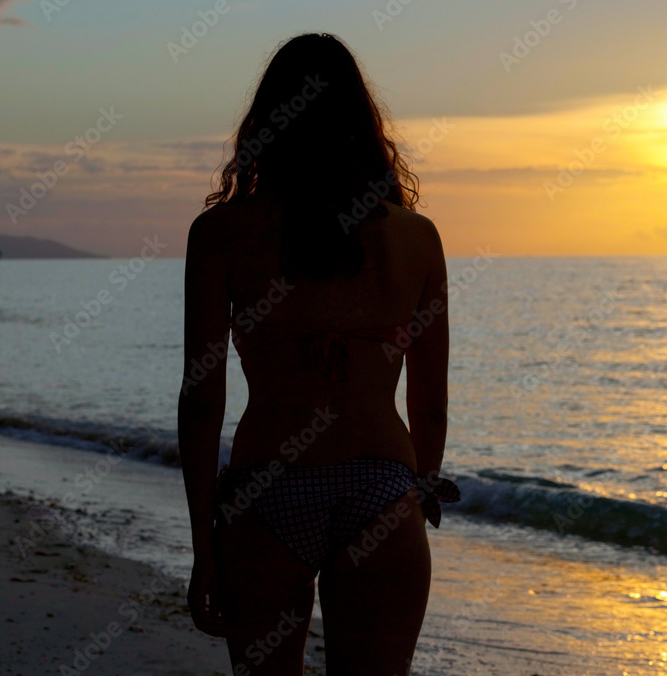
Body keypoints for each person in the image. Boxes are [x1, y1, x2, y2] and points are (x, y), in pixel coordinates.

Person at [178, 32, 459, 676]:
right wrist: (416, 495)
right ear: (364, 125)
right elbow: (431, 402)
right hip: (380, 491)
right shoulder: (416, 237)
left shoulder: (220, 234)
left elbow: (201, 400)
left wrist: (203, 545)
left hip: (265, 491)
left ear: (266, 122)